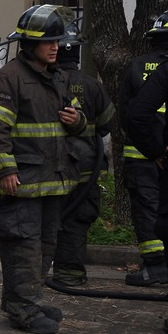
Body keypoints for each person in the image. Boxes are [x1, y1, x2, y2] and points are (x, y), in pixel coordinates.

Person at [0, 4, 85, 334]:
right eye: (48, 42)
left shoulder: (60, 78)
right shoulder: (9, 79)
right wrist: (5, 169)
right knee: (22, 245)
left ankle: (30, 300)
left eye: (58, 41)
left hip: (52, 180)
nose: (56, 47)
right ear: (28, 45)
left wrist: (76, 120)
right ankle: (23, 308)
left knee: (45, 245)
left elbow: (78, 119)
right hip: (22, 180)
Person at [49, 24, 116, 286]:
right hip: (85, 169)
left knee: (49, 217)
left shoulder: (44, 83)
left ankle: (40, 272)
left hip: (50, 166)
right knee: (76, 219)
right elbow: (107, 124)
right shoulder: (91, 85)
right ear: (76, 52)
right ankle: (69, 274)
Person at [117, 10, 168, 286]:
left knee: (147, 210)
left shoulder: (138, 66)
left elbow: (127, 113)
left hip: (142, 156)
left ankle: (155, 267)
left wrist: (153, 150)